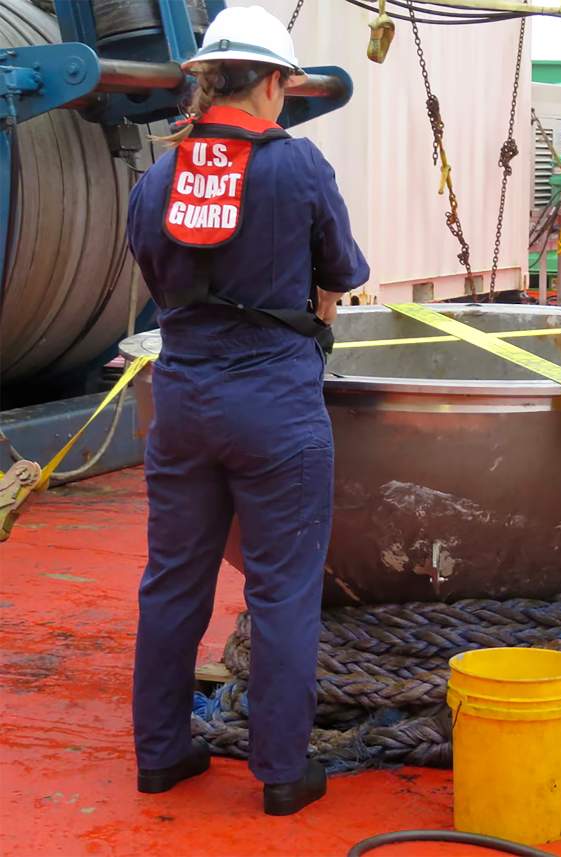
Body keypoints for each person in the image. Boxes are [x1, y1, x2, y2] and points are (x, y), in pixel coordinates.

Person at [125, 6, 369, 815]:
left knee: (172, 583)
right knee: (281, 592)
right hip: (275, 405)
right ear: (273, 81)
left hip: (184, 400)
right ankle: (280, 772)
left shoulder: (158, 178)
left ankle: (161, 755)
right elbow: (342, 269)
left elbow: (159, 277)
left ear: (204, 79)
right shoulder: (296, 167)